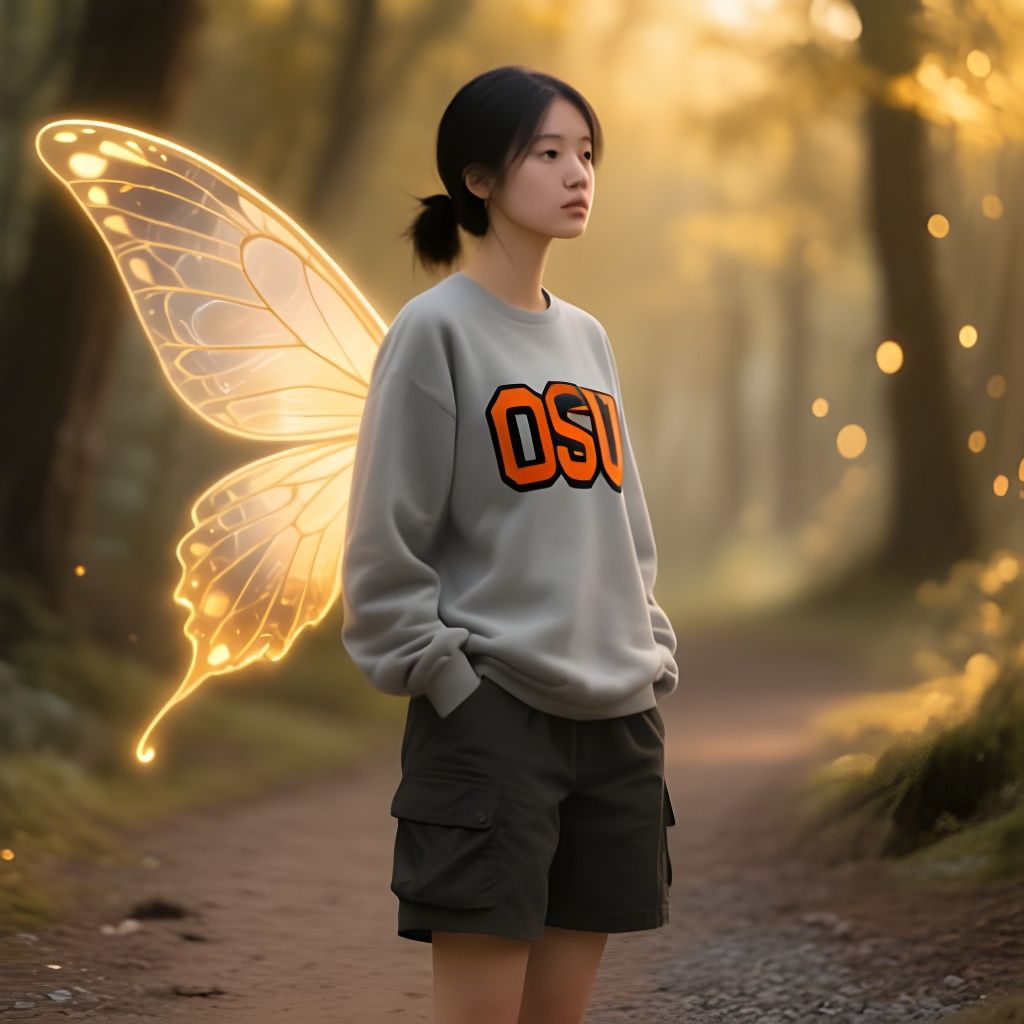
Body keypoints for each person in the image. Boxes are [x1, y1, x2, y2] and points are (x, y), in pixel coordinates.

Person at [340, 64, 678, 1024]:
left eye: (586, 154)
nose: (578, 174)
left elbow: (623, 523)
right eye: (548, 153)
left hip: (617, 722)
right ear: (479, 178)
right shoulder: (433, 331)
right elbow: (382, 538)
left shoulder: (588, 339)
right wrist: (446, 679)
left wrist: (651, 651)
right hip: (493, 721)